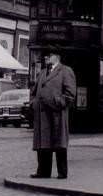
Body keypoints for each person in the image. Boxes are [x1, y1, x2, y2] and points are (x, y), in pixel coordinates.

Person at [30, 49, 77, 179]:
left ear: (57, 56)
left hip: (57, 113)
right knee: (43, 143)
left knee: (59, 142)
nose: (46, 57)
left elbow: (70, 94)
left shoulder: (66, 71)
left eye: (49, 55)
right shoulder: (43, 72)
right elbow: (33, 91)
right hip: (42, 114)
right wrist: (33, 102)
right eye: (46, 55)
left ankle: (62, 172)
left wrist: (57, 102)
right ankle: (43, 171)